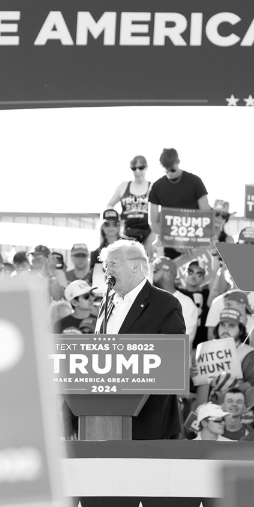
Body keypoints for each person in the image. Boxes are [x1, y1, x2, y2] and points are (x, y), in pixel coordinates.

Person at [94, 240, 185, 439]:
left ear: (135, 266)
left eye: (113, 264)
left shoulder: (165, 303)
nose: (107, 270)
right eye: (106, 265)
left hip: (148, 416)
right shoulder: (106, 301)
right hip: (107, 414)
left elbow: (173, 358)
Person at [147, 148, 211, 258]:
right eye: (166, 170)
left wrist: (192, 242)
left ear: (178, 162)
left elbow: (206, 216)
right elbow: (153, 221)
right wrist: (172, 243)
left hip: (194, 244)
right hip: (168, 244)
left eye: (172, 170)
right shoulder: (157, 186)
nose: (169, 173)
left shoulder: (195, 182)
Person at [105, 154, 153, 244]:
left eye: (141, 167)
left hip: (147, 230)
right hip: (126, 230)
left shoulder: (152, 187)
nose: (137, 171)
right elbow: (110, 205)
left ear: (146, 167)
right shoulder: (123, 186)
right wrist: (114, 219)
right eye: (134, 168)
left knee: (147, 255)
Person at [152, 258, 199, 340]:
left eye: (155, 271)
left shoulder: (186, 303)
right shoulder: (146, 299)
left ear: (168, 274)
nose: (151, 275)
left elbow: (184, 340)